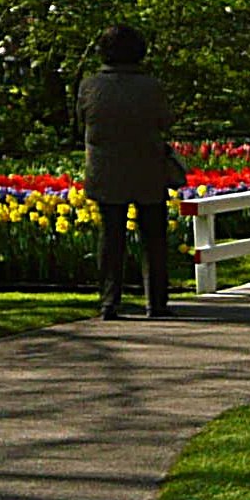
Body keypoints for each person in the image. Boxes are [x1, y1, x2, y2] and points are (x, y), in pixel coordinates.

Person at [79, 24, 177, 321]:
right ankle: (156, 302)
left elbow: (80, 123)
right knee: (154, 238)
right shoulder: (151, 87)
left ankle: (109, 301)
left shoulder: (90, 86)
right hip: (148, 166)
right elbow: (165, 121)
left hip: (106, 169)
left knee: (111, 238)